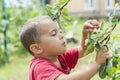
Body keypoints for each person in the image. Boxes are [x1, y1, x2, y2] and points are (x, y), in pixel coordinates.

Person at [20, 15, 110, 80]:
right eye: (53, 34)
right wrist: (97, 64)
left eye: (60, 31)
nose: (62, 36)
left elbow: (83, 50)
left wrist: (85, 34)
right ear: (37, 48)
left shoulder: (59, 57)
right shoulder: (40, 67)